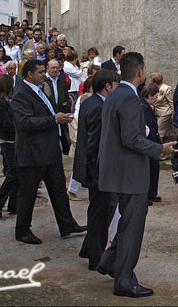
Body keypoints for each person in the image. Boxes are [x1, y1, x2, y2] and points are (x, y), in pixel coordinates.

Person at [96, 52, 175, 297]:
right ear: (140, 72)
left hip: (116, 171)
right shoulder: (129, 97)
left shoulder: (114, 94)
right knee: (132, 226)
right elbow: (131, 138)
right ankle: (124, 280)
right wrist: (159, 149)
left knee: (127, 223)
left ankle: (110, 262)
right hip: (129, 173)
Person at [11, 59, 86, 245]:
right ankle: (22, 229)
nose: (44, 74)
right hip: (32, 153)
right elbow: (24, 123)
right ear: (29, 74)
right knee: (27, 193)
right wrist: (54, 119)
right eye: (40, 72)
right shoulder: (21, 94)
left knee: (58, 190)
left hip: (50, 151)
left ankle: (67, 224)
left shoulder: (40, 89)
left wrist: (60, 118)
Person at [73, 70, 120, 271]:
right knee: (101, 211)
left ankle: (88, 248)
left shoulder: (91, 102)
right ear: (107, 86)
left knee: (100, 209)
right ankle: (96, 256)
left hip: (95, 168)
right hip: (97, 170)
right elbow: (94, 144)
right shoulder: (98, 107)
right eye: (115, 84)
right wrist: (99, 172)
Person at [0, 74, 18, 218]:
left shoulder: (8, 100)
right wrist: (20, 126)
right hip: (8, 141)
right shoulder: (0, 102)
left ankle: (13, 205)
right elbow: (5, 124)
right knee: (13, 173)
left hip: (13, 140)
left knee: (17, 174)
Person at [140, 82, 161, 204]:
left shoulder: (147, 107)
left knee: (154, 169)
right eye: (155, 96)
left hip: (152, 141)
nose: (156, 99)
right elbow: (148, 128)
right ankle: (148, 195)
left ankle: (152, 193)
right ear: (150, 95)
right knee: (150, 169)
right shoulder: (145, 108)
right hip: (149, 142)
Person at [149, 73, 174, 144]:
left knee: (160, 131)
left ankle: (162, 149)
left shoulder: (166, 89)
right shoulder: (155, 89)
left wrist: (172, 114)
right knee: (160, 131)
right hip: (157, 113)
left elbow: (171, 102)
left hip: (165, 113)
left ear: (155, 82)